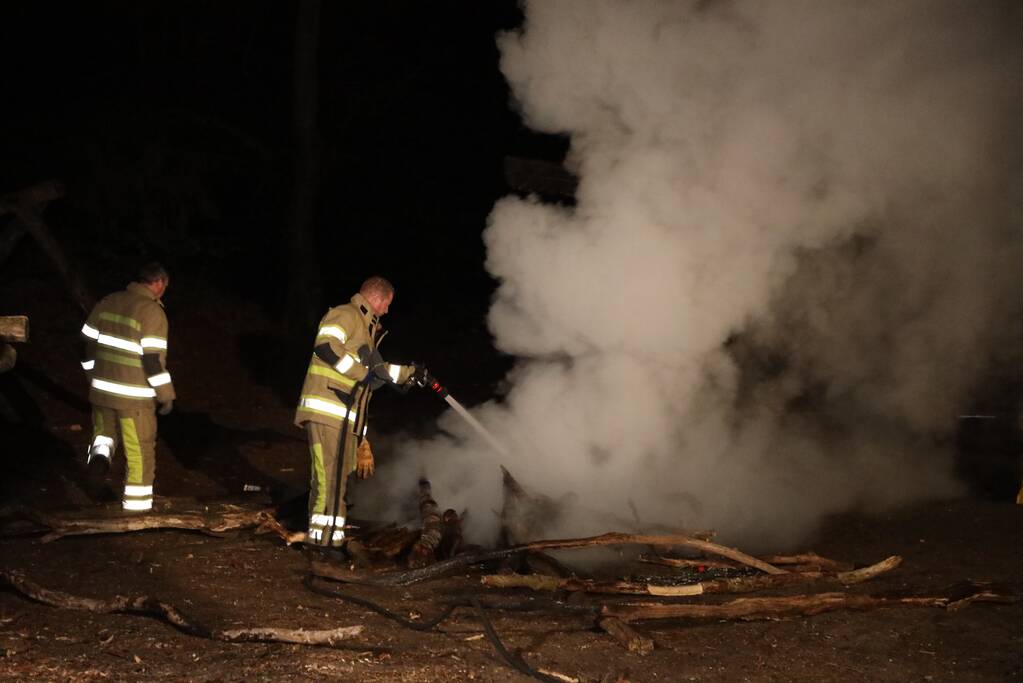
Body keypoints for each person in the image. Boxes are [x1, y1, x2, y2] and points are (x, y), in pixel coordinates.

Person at [294, 276, 421, 549]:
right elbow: (325, 346)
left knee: (336, 482)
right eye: (387, 304)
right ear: (376, 298)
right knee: (329, 479)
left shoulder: (365, 331)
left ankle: (328, 541)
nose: (387, 311)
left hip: (342, 417)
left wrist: (412, 374)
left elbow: (378, 372)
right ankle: (322, 545)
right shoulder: (346, 315)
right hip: (327, 411)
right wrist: (360, 373)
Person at [80, 262, 175, 513]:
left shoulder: (108, 301)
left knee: (103, 437)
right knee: (139, 449)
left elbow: (85, 343)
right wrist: (166, 395)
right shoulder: (152, 312)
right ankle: (137, 507)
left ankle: (98, 465)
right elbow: (152, 360)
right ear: (157, 283)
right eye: (165, 285)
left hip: (101, 391)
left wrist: (91, 374)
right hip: (133, 399)